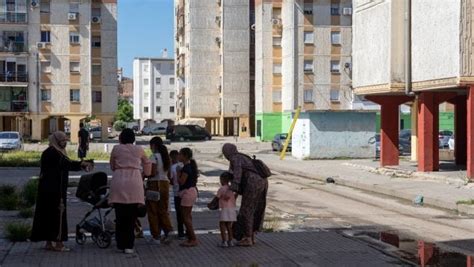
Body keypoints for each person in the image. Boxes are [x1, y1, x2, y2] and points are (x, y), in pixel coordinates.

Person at [31, 131, 93, 252]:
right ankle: (58, 243)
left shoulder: (53, 151)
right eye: (62, 140)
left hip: (48, 189)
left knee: (48, 215)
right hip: (55, 190)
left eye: (65, 140)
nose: (65, 142)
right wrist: (82, 164)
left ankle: (49, 242)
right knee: (57, 215)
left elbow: (66, 164)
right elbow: (66, 164)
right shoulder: (54, 153)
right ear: (56, 140)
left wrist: (81, 164)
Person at [109, 128, 151, 254]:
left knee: (120, 216)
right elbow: (147, 163)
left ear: (121, 138)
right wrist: (145, 174)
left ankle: (120, 244)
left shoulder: (116, 148)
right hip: (135, 181)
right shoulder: (139, 149)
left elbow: (112, 166)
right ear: (133, 138)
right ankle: (129, 246)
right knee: (131, 218)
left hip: (119, 181)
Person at [222, 143, 268, 247]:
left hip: (252, 183)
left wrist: (230, 191)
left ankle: (248, 238)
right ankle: (251, 236)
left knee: (246, 210)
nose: (225, 155)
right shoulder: (242, 156)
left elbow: (237, 177)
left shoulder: (235, 158)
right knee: (256, 209)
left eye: (225, 152)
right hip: (262, 181)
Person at [146, 137, 173, 244]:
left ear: (153, 145)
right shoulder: (167, 157)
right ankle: (168, 231)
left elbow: (152, 173)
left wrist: (145, 174)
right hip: (165, 184)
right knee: (163, 209)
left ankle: (156, 235)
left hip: (154, 184)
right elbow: (170, 175)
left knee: (152, 210)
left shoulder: (154, 157)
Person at [178, 147, 199, 247]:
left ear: (185, 156)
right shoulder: (190, 166)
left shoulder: (186, 168)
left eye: (180, 154)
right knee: (188, 216)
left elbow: (181, 181)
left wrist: (178, 174)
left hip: (188, 193)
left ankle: (193, 238)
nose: (178, 156)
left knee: (185, 217)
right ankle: (191, 237)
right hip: (191, 192)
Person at [216, 171, 237, 247]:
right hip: (231, 209)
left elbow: (217, 198)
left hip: (224, 209)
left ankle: (224, 241)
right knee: (229, 226)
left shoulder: (221, 189)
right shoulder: (231, 189)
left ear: (223, 180)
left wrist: (211, 205)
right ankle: (230, 241)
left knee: (222, 225)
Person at [170, 150, 185, 239]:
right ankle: (187, 231)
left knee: (179, 214)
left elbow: (171, 180)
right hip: (186, 192)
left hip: (177, 192)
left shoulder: (172, 168)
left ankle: (181, 233)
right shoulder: (183, 165)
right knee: (186, 214)